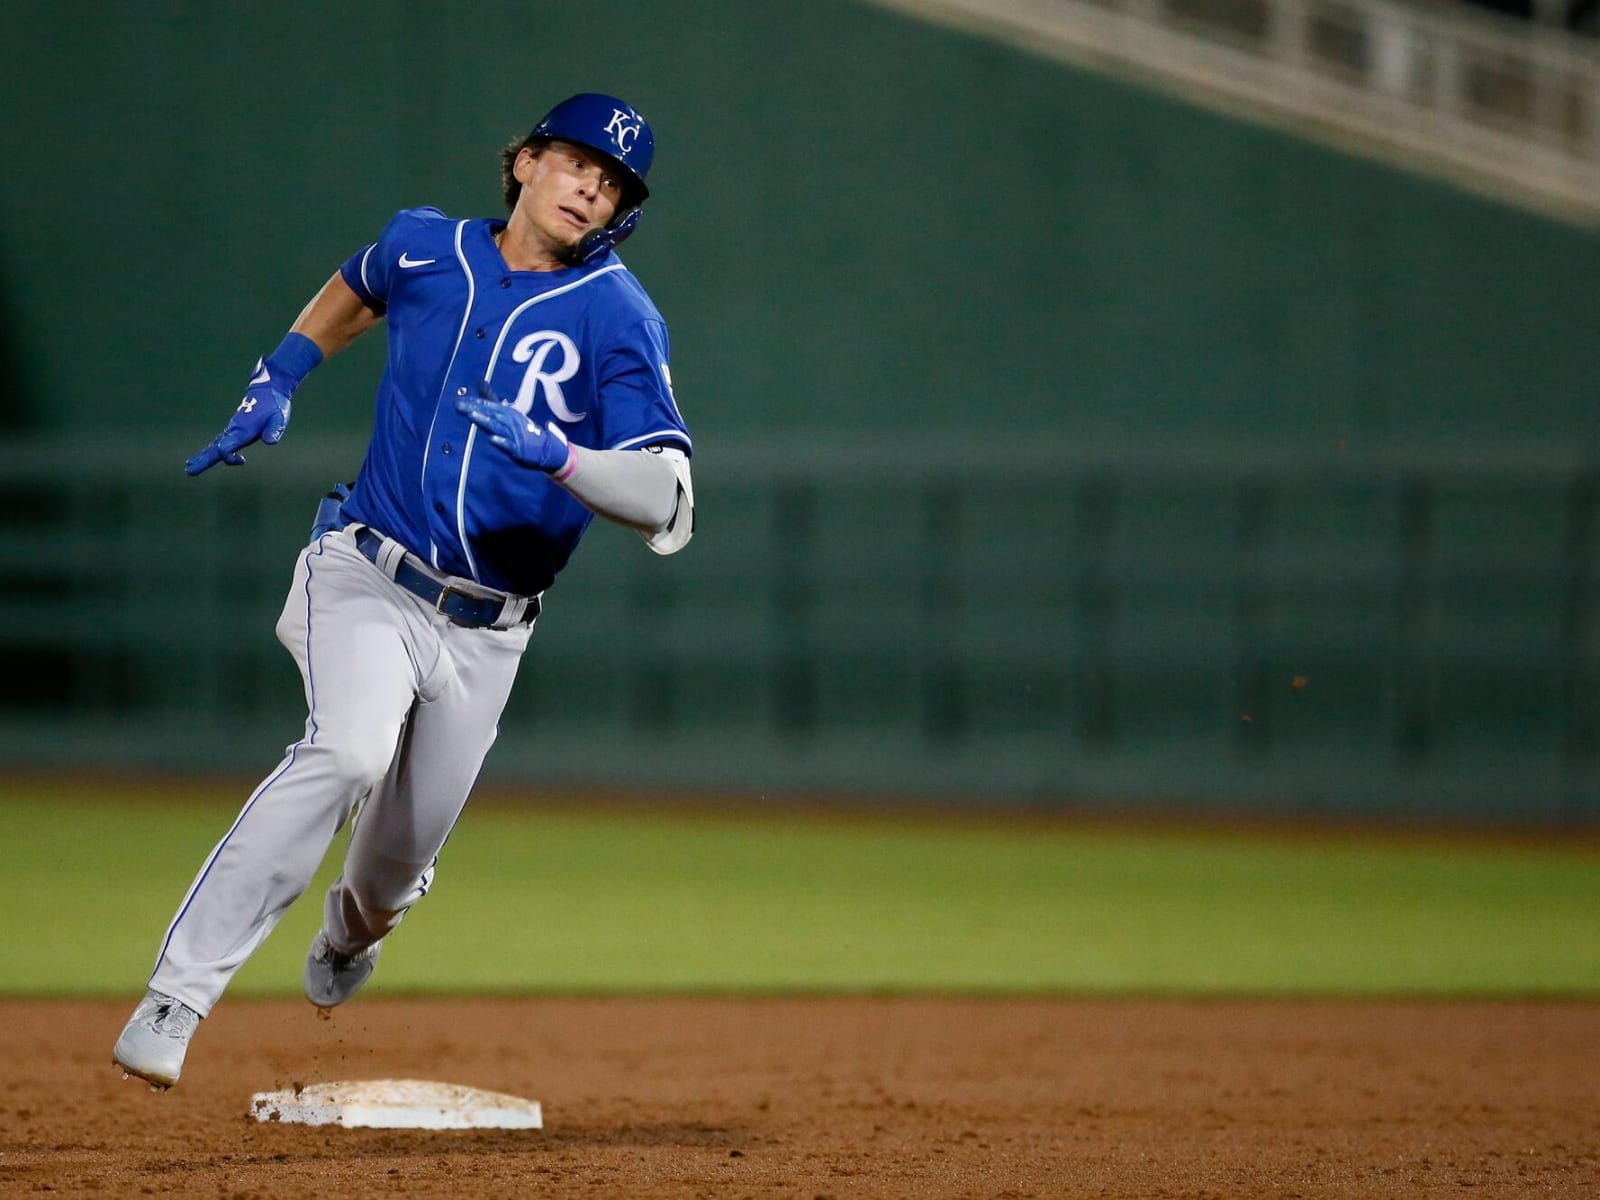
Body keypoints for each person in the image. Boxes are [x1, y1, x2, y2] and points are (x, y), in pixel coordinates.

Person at [112, 93, 694, 1090]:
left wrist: (562, 456)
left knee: (386, 876)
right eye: (575, 163)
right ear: (525, 164)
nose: (590, 187)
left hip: (488, 633)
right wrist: (281, 373)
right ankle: (178, 992)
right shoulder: (427, 247)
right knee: (346, 748)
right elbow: (359, 287)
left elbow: (667, 499)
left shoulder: (616, 314)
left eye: (610, 184)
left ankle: (351, 935)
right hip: (366, 572)